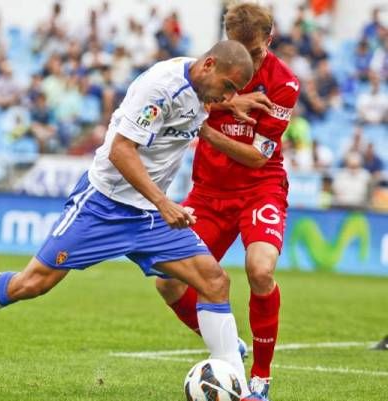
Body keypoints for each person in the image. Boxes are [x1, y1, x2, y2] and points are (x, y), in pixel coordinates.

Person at [0, 40, 265, 401]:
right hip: (104, 205)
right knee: (32, 284)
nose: (226, 96)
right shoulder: (161, 87)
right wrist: (164, 202)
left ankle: (238, 387)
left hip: (150, 215)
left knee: (214, 281)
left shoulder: (204, 88)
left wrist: (232, 100)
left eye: (233, 90)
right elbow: (121, 151)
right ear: (208, 65)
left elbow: (193, 116)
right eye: (228, 86)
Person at [154, 3, 300, 400]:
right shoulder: (209, 68)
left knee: (260, 269)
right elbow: (177, 107)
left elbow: (256, 156)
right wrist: (212, 112)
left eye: (254, 54)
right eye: (239, 50)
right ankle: (228, 343)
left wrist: (204, 129)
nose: (246, 64)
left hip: (259, 187)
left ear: (268, 41)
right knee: (166, 282)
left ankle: (260, 379)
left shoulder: (284, 83)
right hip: (208, 191)